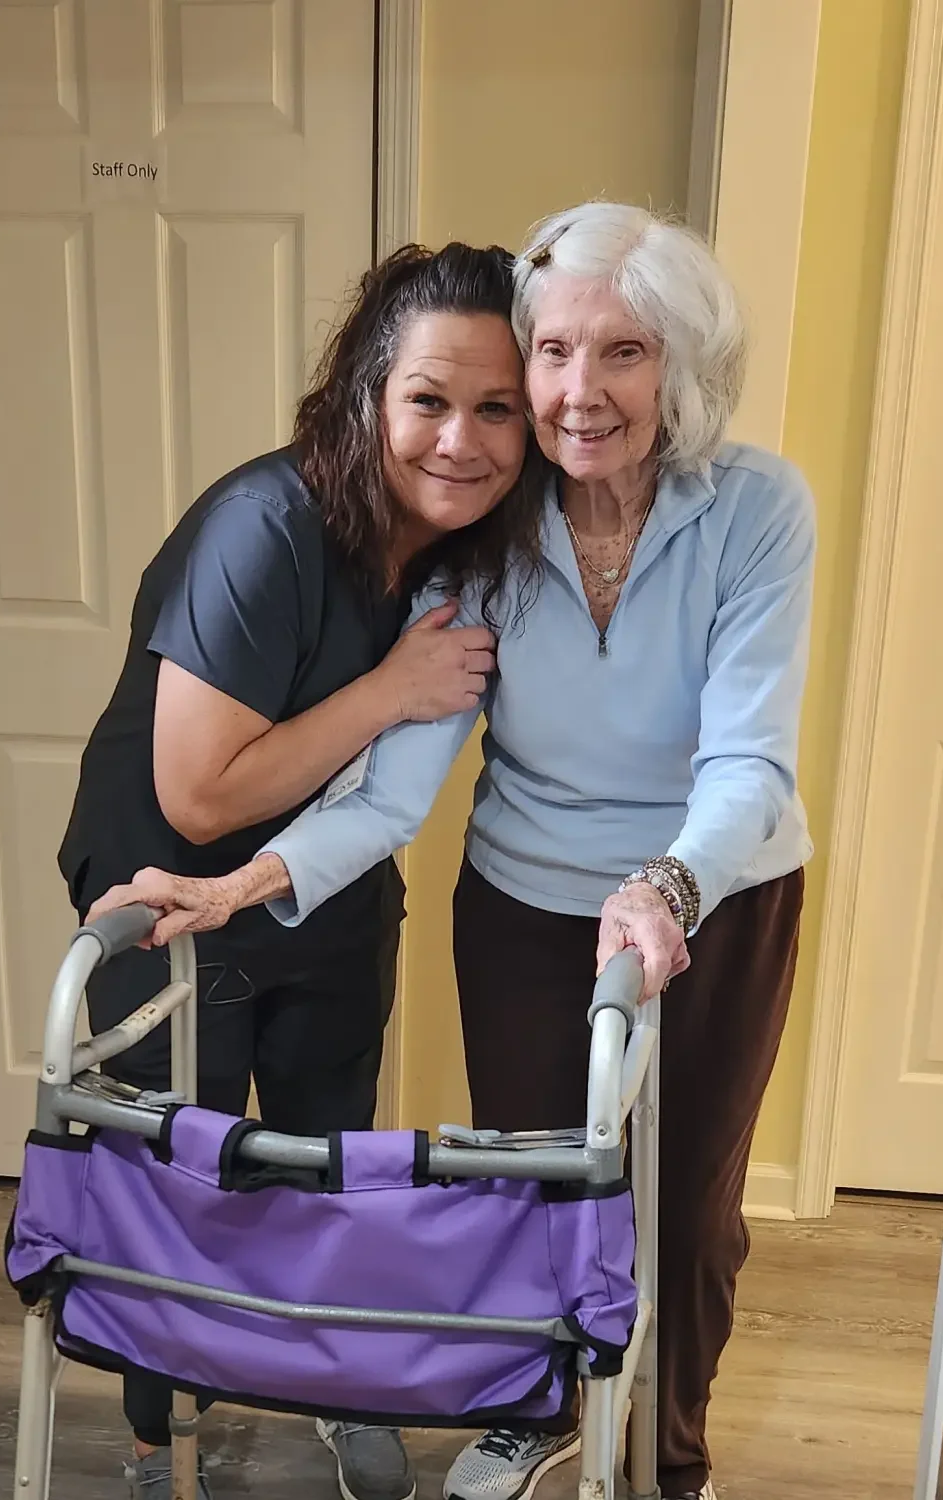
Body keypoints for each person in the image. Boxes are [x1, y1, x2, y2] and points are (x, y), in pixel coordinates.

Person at [90, 201, 816, 1500]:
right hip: (528, 904)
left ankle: (670, 1457)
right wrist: (243, 881)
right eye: (553, 354)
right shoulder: (486, 542)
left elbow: (749, 758)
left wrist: (670, 882)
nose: (579, 392)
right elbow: (389, 795)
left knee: (689, 1214)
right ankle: (536, 1404)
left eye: (626, 353)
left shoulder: (755, 509)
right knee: (534, 1181)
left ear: (683, 365)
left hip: (717, 896)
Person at [59, 240, 547, 1500]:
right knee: (187, 1175)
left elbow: (380, 796)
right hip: (171, 898)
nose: (462, 440)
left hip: (325, 898)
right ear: (367, 394)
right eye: (429, 399)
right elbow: (200, 791)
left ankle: (335, 1384)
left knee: (334, 1159)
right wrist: (390, 692)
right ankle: (159, 1436)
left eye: (498, 408)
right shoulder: (261, 526)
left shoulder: (461, 559)